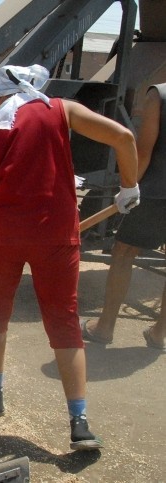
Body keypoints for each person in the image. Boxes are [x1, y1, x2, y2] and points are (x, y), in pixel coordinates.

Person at [0, 65, 139, 451]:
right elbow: (124, 137)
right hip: (56, 234)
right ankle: (79, 423)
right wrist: (129, 187)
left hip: (3, 235)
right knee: (63, 320)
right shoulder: (61, 109)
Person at [81, 83, 166, 351]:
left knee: (124, 252)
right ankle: (160, 334)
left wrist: (129, 188)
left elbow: (143, 150)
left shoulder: (159, 95)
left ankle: (104, 328)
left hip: (155, 192)